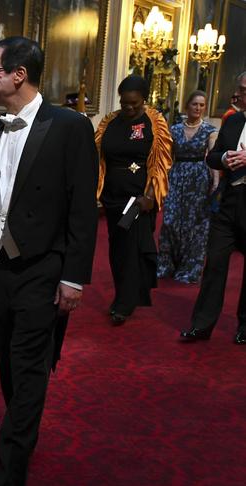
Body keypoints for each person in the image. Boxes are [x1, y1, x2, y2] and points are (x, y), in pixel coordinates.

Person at [0, 37, 99, 486]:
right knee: (10, 365)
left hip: (43, 269)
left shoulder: (70, 126)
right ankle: (22, 431)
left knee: (30, 365)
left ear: (18, 75)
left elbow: (81, 210)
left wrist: (74, 276)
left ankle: (10, 471)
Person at [95, 75, 173, 325]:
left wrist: (150, 195)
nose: (129, 108)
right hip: (113, 198)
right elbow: (97, 156)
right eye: (124, 103)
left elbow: (161, 162)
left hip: (139, 200)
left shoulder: (154, 122)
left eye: (134, 104)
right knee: (117, 249)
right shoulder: (110, 122)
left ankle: (125, 304)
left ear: (144, 100)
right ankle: (122, 295)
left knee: (131, 250)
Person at [181, 71, 246, 345]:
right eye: (242, 89)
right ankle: (202, 325)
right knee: (215, 265)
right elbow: (213, 156)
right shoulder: (232, 121)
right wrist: (226, 158)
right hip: (228, 204)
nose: (242, 94)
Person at [157, 91, 218, 283]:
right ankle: (166, 264)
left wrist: (215, 181)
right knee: (170, 221)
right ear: (187, 106)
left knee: (195, 224)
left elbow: (213, 157)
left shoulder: (210, 130)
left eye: (202, 105)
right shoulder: (173, 129)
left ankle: (189, 269)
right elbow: (166, 158)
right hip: (176, 176)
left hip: (199, 178)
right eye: (195, 105)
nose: (198, 108)